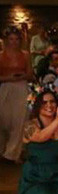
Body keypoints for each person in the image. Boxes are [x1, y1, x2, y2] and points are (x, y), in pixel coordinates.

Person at [0, 27, 34, 163]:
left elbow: (31, 74)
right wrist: (9, 77)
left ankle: (12, 153)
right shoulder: (1, 55)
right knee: (4, 120)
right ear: (7, 40)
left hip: (21, 88)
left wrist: (21, 76)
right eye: (11, 39)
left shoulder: (25, 55)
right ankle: (3, 149)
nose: (14, 42)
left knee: (20, 120)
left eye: (16, 39)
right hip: (5, 88)